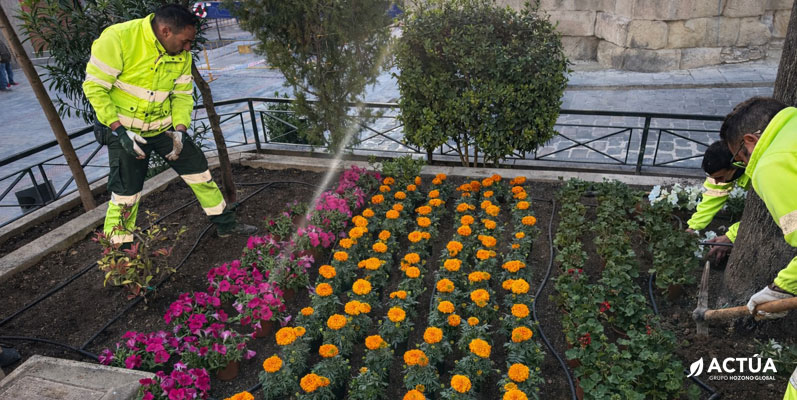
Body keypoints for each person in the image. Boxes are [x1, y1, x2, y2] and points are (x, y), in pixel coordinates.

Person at [83, 4, 256, 246]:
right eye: (185, 41)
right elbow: (95, 87)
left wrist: (180, 131)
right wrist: (119, 131)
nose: (188, 48)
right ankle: (118, 255)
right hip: (126, 133)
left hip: (164, 130)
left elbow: (182, 95)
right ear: (165, 31)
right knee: (126, 195)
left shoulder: (181, 55)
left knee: (199, 173)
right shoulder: (118, 38)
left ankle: (226, 225)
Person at [719, 96, 796, 400]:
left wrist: (779, 289)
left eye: (741, 156)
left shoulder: (772, 162)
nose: (744, 165)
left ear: (751, 140)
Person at [686, 141, 749, 265]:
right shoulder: (719, 173)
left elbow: (768, 214)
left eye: (720, 178)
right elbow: (713, 196)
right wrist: (693, 227)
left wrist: (731, 236)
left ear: (736, 166)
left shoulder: (759, 176)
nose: (716, 182)